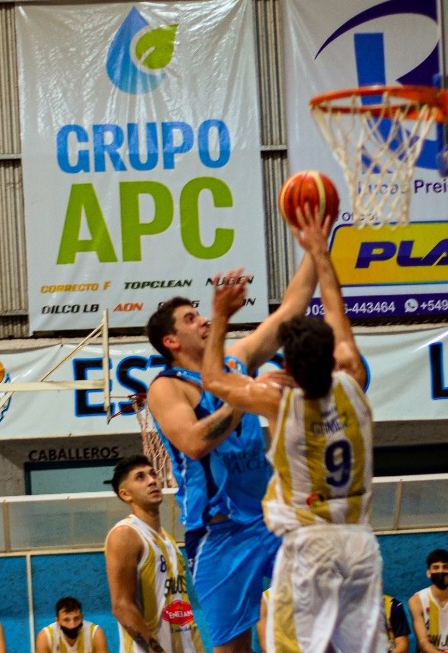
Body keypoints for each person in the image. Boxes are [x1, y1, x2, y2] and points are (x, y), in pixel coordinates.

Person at [201, 204, 382, 653]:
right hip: (361, 546)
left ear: (290, 369)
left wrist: (221, 316)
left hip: (310, 548)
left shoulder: (280, 403)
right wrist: (321, 252)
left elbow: (214, 380)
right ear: (333, 354)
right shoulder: (353, 379)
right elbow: (338, 315)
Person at [145, 257, 316, 653]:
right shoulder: (167, 387)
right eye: (191, 319)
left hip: (273, 520)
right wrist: (245, 394)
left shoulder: (236, 360)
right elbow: (194, 443)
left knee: (323, 611)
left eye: (202, 314)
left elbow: (291, 310)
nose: (204, 320)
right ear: (171, 341)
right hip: (220, 534)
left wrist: (314, 247)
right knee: (234, 649)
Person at [105, 455, 204, 653]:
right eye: (140, 477)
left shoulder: (169, 540)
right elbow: (122, 607)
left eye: (153, 474)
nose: (152, 481)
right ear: (125, 494)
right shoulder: (125, 534)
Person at [36, 596, 109, 653]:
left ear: (82, 618)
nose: (72, 625)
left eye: (76, 619)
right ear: (57, 621)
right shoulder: (46, 636)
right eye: (66, 620)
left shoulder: (95, 633)